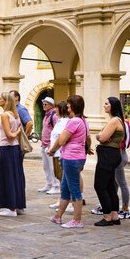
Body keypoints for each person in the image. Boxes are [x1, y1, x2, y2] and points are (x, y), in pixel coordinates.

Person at [48, 94, 91, 228]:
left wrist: (52, 150)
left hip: (71, 158)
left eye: (68, 104)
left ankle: (77, 220)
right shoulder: (82, 120)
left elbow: (61, 140)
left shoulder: (74, 121)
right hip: (74, 157)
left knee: (75, 190)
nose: (66, 105)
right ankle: (58, 216)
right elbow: (86, 138)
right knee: (65, 189)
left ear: (73, 106)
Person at [92, 96, 126, 226]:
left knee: (100, 186)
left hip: (108, 156)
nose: (104, 106)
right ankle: (114, 215)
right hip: (112, 155)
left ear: (113, 105)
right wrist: (102, 137)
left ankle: (107, 216)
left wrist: (99, 136)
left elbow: (102, 137)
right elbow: (104, 138)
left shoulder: (113, 121)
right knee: (110, 186)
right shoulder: (117, 120)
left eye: (107, 104)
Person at [0, 92, 26, 217]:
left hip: (7, 149)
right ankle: (19, 206)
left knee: (7, 177)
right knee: (16, 177)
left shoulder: (5, 115)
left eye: (0, 99)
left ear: (5, 101)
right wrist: (18, 131)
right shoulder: (16, 115)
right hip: (15, 149)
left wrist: (17, 131)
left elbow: (9, 135)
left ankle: (11, 208)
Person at [48, 101, 69, 210]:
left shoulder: (64, 121)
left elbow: (61, 138)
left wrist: (52, 149)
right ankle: (61, 199)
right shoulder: (59, 121)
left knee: (63, 178)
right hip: (56, 153)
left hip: (59, 153)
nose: (55, 110)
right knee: (60, 178)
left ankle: (66, 201)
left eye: (56, 108)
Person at [39, 96, 60, 194]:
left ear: (51, 105)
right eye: (43, 104)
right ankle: (48, 184)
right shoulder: (46, 115)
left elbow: (56, 130)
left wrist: (52, 145)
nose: (43, 105)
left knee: (52, 167)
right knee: (46, 167)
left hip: (50, 145)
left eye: (46, 104)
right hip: (44, 144)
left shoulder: (54, 116)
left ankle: (55, 185)